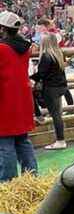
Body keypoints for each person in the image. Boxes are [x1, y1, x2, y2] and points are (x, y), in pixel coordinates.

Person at [0, 11, 37, 182]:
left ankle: (8, 183)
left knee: (5, 144)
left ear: (2, 29)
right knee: (23, 140)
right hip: (22, 101)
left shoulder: (2, 49)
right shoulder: (25, 48)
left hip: (5, 101)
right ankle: (31, 177)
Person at [31, 33, 69, 149]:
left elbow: (41, 74)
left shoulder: (46, 56)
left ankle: (60, 140)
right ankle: (60, 139)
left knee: (55, 115)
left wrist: (29, 78)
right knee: (58, 114)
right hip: (61, 86)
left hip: (51, 88)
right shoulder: (59, 54)